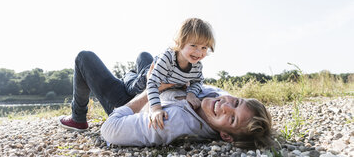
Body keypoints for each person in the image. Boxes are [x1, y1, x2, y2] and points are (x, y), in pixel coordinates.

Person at [58, 50, 274, 149]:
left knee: (84, 58)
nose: (226, 106)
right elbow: (201, 81)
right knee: (145, 56)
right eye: (235, 102)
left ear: (226, 136)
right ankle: (133, 78)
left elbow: (110, 129)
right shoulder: (218, 97)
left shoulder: (174, 122)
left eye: (233, 119)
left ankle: (78, 117)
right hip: (158, 89)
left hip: (131, 103)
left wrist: (152, 87)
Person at [124, 18, 215, 129]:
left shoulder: (197, 66)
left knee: (144, 56)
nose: (199, 52)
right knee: (130, 89)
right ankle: (128, 75)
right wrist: (156, 109)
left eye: (204, 47)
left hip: (164, 81)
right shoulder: (168, 58)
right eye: (194, 46)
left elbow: (198, 81)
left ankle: (136, 69)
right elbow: (152, 83)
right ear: (180, 43)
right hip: (146, 80)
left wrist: (191, 94)